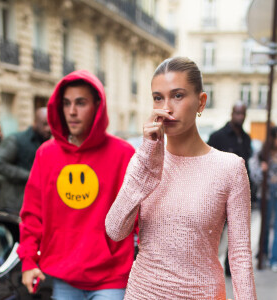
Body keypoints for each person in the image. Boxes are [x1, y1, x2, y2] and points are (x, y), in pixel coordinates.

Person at [105, 57, 257, 299]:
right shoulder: (143, 161)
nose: (166, 108)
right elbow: (115, 230)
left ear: (201, 101)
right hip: (142, 293)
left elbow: (239, 256)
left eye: (177, 95)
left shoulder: (230, 168)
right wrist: (146, 157)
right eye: (158, 97)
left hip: (203, 294)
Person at [17, 70, 136, 300]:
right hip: (63, 278)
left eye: (80, 103)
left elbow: (140, 216)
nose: (72, 111)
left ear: (97, 106)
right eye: (67, 103)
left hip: (111, 278)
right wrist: (28, 261)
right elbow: (32, 215)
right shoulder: (46, 154)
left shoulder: (123, 154)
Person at [207, 101, 253, 276]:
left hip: (239, 194)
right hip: (218, 192)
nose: (239, 117)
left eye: (242, 114)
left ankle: (230, 269)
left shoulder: (246, 138)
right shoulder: (217, 136)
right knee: (214, 232)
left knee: (237, 234)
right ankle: (209, 265)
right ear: (231, 113)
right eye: (237, 113)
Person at [0, 107, 51, 214]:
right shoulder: (16, 139)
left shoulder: (48, 144)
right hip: (14, 205)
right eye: (44, 124)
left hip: (38, 204)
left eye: (51, 124)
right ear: (35, 123)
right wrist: (29, 175)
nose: (48, 129)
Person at [258, 126, 277, 272]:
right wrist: (263, 172)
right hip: (267, 195)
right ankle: (262, 253)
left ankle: (274, 258)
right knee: (264, 225)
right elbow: (254, 172)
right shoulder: (263, 153)